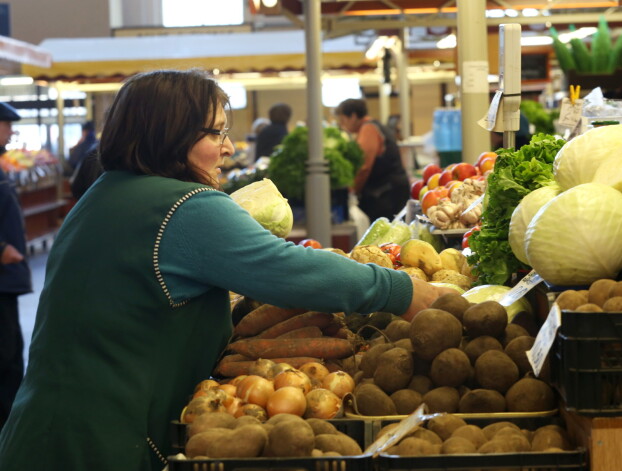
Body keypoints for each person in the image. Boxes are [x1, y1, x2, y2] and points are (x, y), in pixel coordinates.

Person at [0, 69, 453, 471]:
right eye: (216, 133)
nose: (229, 147)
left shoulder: (104, 194)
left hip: (42, 429)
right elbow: (290, 269)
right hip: (106, 442)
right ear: (170, 134)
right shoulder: (183, 206)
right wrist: (404, 291)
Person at [0, 102, 32, 431]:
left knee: (10, 359)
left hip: (7, 283)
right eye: (6, 125)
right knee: (5, 361)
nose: (10, 132)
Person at [335, 98, 410, 222]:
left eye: (343, 120)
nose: (342, 125)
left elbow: (364, 166)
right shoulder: (375, 126)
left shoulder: (368, 129)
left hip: (386, 195)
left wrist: (353, 189)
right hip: (391, 191)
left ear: (353, 116)